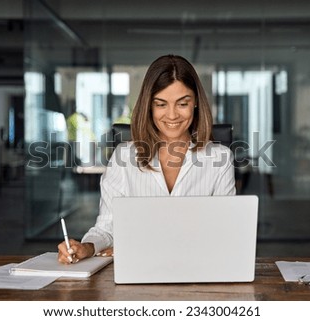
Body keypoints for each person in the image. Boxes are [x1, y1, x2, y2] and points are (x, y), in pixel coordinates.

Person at [58, 54, 236, 264]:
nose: (172, 115)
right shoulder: (123, 157)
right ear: (149, 106)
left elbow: (225, 231)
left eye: (182, 103)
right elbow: (107, 228)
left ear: (195, 102)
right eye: (161, 104)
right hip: (139, 269)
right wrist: (87, 248)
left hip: (199, 267)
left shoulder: (220, 159)